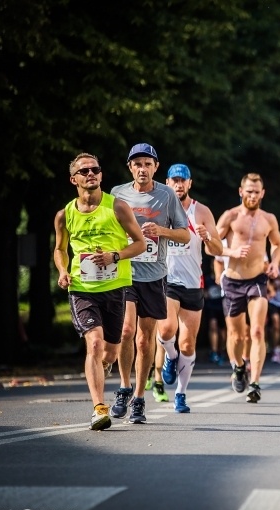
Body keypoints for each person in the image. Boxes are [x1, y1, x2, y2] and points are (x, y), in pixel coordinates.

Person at [53, 153, 147, 430]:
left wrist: (114, 256)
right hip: (82, 288)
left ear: (101, 175)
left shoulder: (117, 207)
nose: (91, 173)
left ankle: (103, 368)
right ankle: (99, 408)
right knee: (94, 343)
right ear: (74, 179)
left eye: (95, 169)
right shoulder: (64, 215)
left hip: (116, 287)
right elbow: (59, 249)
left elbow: (140, 244)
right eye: (84, 171)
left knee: (110, 353)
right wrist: (62, 271)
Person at [110, 143, 191, 423]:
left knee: (145, 340)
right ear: (129, 167)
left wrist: (161, 230)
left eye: (147, 163)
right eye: (137, 164)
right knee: (126, 330)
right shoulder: (117, 194)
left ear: (156, 167)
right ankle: (123, 387)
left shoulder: (167, 195)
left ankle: (140, 400)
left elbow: (185, 236)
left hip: (155, 275)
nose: (142, 169)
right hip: (125, 272)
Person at [152, 163, 223, 413]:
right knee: (167, 328)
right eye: (174, 180)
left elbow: (218, 251)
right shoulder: (158, 209)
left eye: (183, 181)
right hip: (166, 279)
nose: (179, 185)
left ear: (189, 184)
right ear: (167, 183)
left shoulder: (201, 211)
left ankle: (181, 394)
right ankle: (170, 358)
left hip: (193, 283)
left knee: (189, 344)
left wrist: (208, 238)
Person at [216, 173, 280, 403]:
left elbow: (277, 244)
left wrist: (275, 263)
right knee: (236, 335)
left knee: (256, 331)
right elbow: (211, 247)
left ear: (262, 193)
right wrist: (230, 252)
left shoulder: (269, 219)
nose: (253, 195)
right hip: (233, 280)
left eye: (257, 191)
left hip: (257, 279)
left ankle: (254, 383)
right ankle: (238, 367)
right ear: (241, 191)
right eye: (249, 191)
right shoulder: (230, 216)